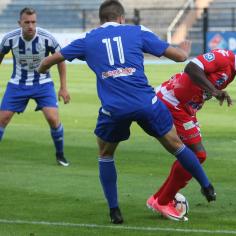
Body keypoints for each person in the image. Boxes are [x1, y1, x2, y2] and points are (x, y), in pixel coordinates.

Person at [38, 0, 216, 224]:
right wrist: (183, 50)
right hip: (147, 103)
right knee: (177, 146)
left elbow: (51, 60)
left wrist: (41, 68)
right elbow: (179, 57)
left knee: (106, 155)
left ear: (102, 19)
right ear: (121, 18)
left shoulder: (88, 39)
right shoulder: (136, 31)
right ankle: (207, 186)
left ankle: (114, 211)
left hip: (114, 109)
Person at [147, 45, 236, 221]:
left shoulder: (232, 71)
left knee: (194, 154)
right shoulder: (223, 57)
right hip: (173, 102)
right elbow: (191, 67)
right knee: (198, 154)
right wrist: (214, 91)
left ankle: (159, 198)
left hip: (185, 108)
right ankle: (163, 200)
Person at [0, 8, 70, 166]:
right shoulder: (9, 39)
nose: (31, 26)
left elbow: (61, 59)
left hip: (43, 84)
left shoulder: (47, 38)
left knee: (53, 118)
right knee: (2, 119)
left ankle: (60, 154)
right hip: (17, 84)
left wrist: (63, 87)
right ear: (20, 23)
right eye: (27, 22)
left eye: (33, 22)